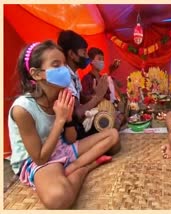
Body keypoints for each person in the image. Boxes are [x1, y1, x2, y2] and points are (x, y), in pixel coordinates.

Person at [8, 40, 120, 209]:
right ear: (36, 74)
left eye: (63, 64)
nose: (64, 70)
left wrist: (67, 120)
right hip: (37, 159)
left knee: (113, 136)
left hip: (60, 147)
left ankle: (74, 166)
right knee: (59, 199)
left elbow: (70, 139)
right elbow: (39, 158)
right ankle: (85, 168)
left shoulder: (62, 95)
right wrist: (59, 119)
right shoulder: (22, 109)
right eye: (56, 65)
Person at [57, 30, 113, 140]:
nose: (87, 56)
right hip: (72, 131)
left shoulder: (74, 73)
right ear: (72, 54)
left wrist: (96, 95)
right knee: (112, 131)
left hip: (79, 125)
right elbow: (77, 113)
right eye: (84, 53)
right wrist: (97, 98)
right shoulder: (65, 77)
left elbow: (81, 98)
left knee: (117, 118)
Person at [81, 47, 125, 130]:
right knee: (110, 122)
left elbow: (108, 95)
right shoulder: (87, 79)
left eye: (103, 59)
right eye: (99, 59)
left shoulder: (103, 78)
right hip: (95, 112)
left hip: (107, 108)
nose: (102, 62)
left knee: (123, 116)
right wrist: (95, 96)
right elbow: (84, 99)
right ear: (91, 61)